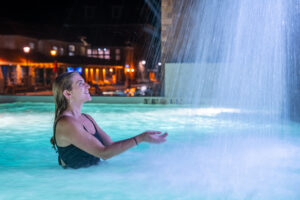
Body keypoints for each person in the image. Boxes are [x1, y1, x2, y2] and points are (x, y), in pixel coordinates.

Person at [50, 72, 168, 169]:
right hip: (77, 185)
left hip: (91, 178)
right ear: (67, 93)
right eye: (81, 84)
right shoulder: (66, 123)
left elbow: (110, 146)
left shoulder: (87, 118)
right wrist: (140, 138)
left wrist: (141, 139)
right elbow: (104, 153)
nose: (88, 86)